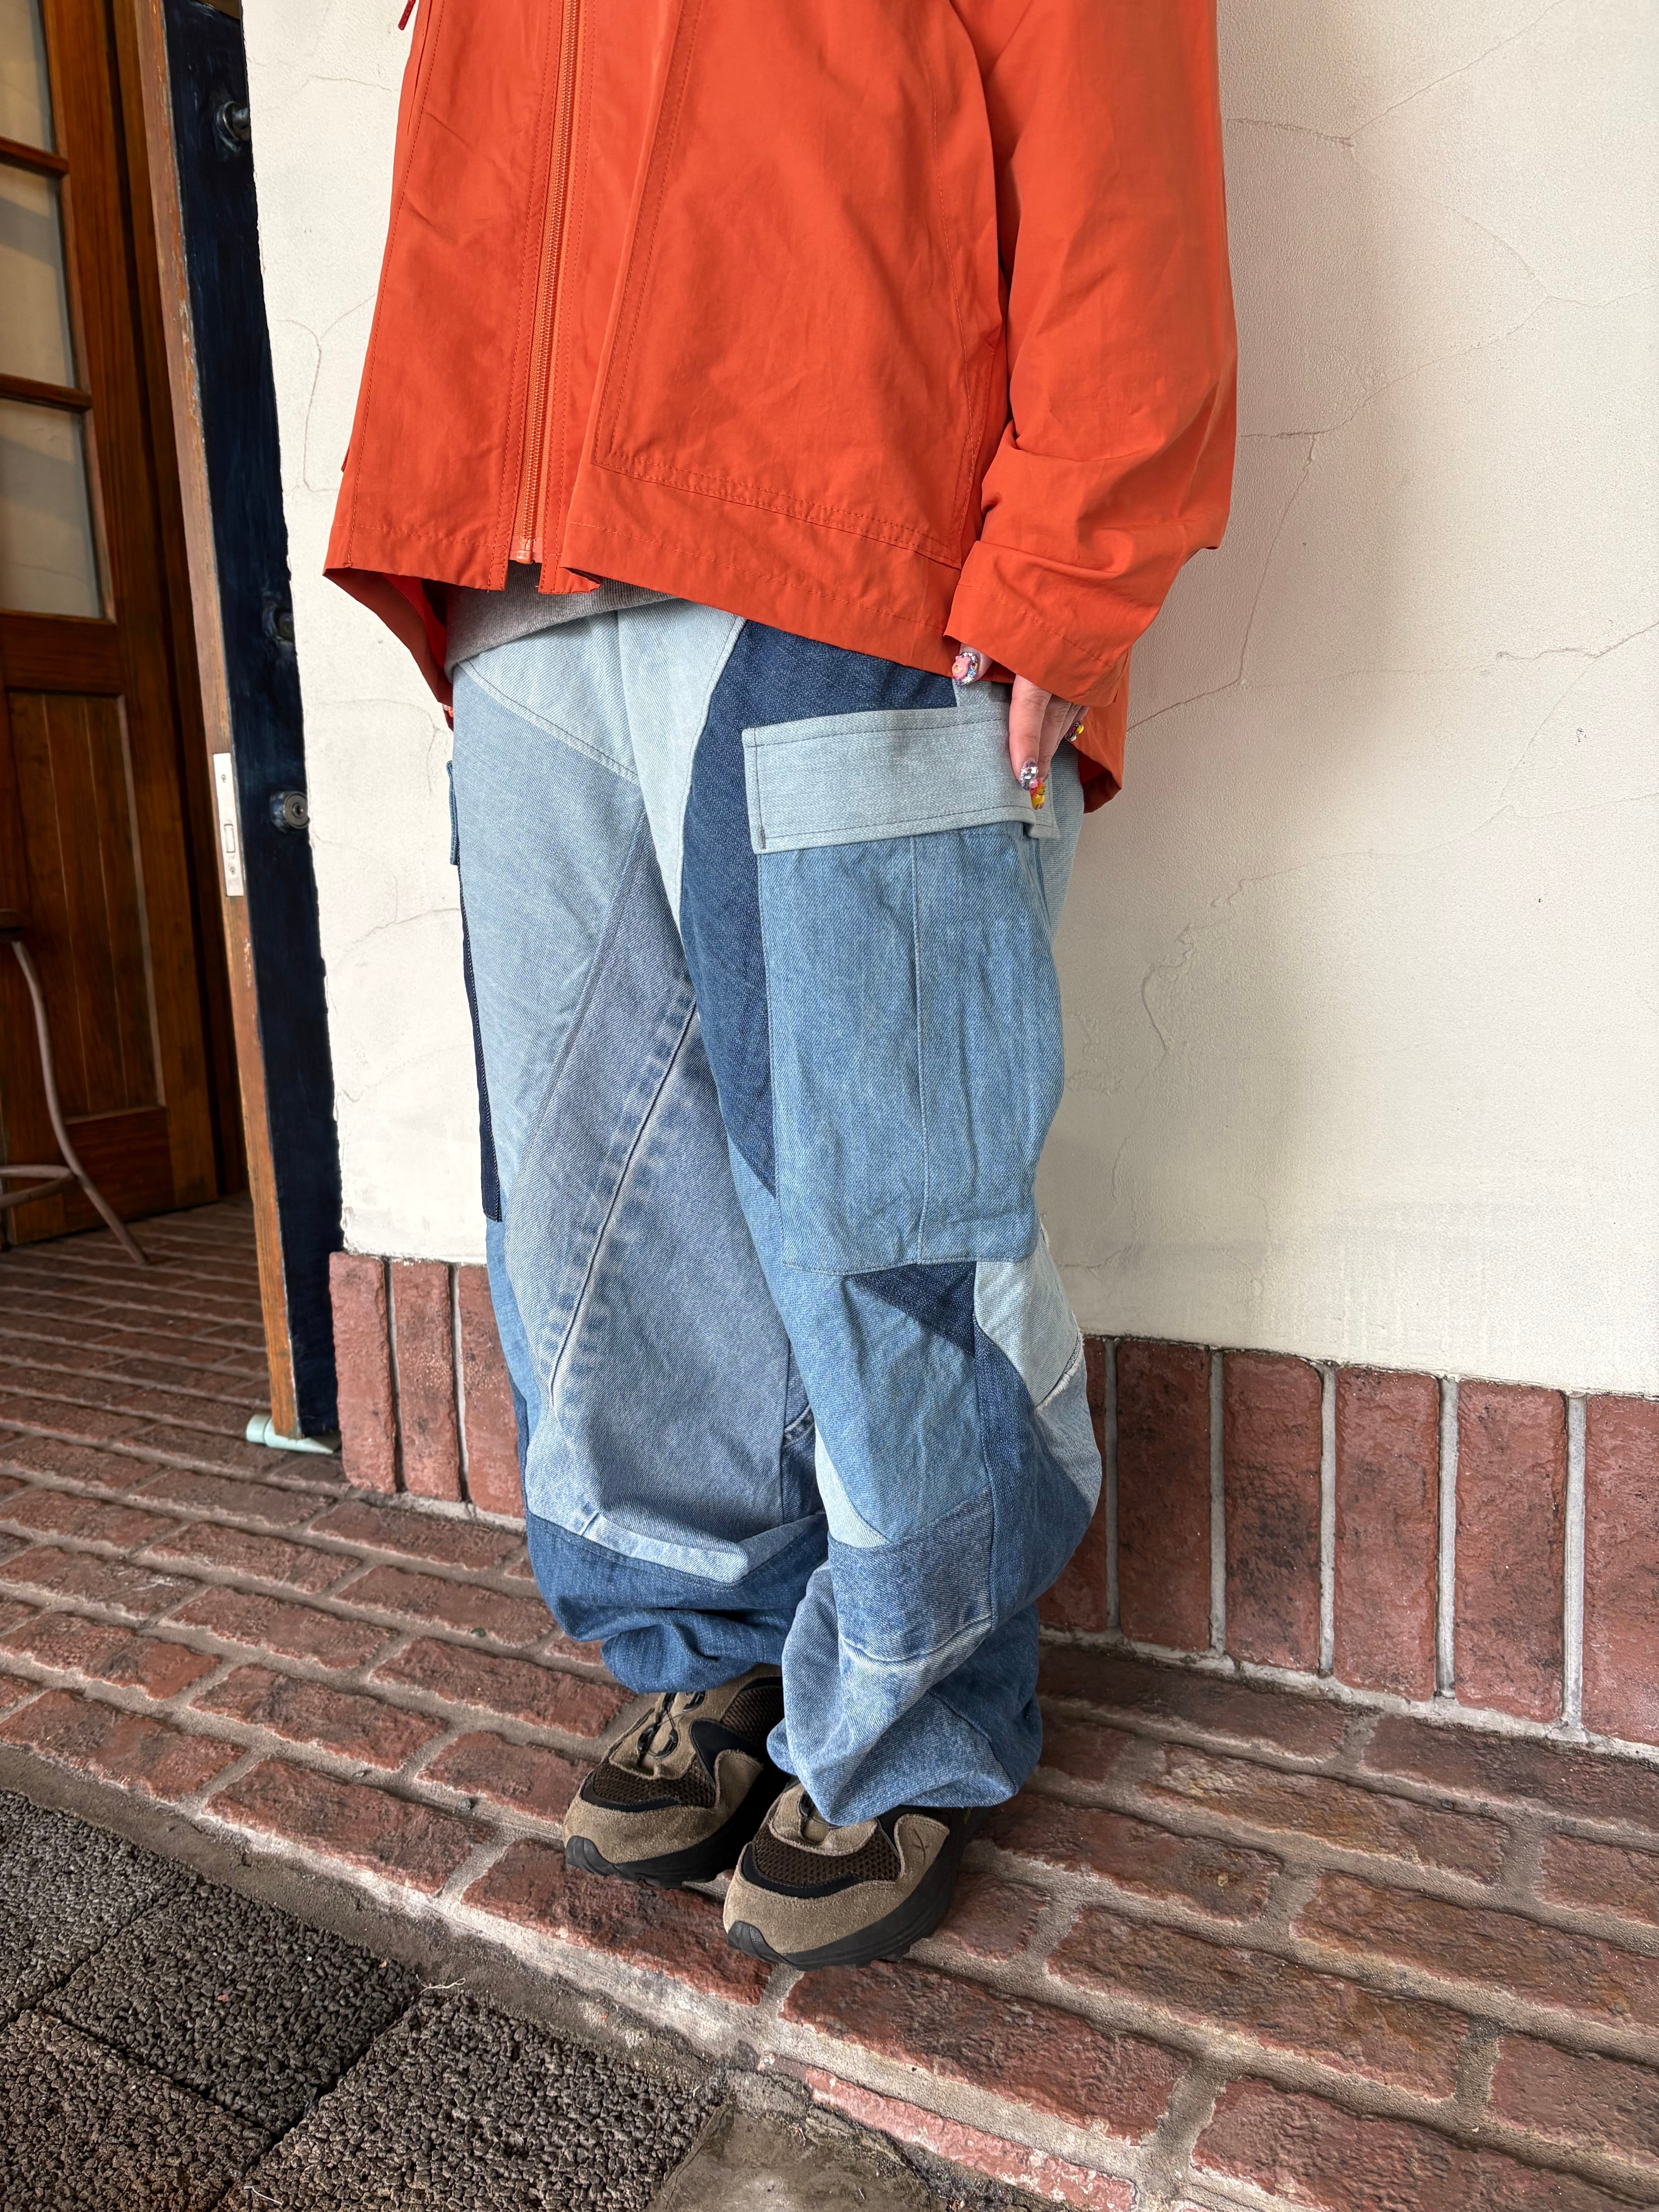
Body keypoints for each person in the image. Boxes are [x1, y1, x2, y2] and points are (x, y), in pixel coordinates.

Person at [327, 0, 1235, 1971]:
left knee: (886, 1196)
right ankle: (710, 1643)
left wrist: (1067, 559)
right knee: (597, 1198)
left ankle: (913, 1705)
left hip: (845, 534)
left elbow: (1111, 98)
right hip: (518, 571)